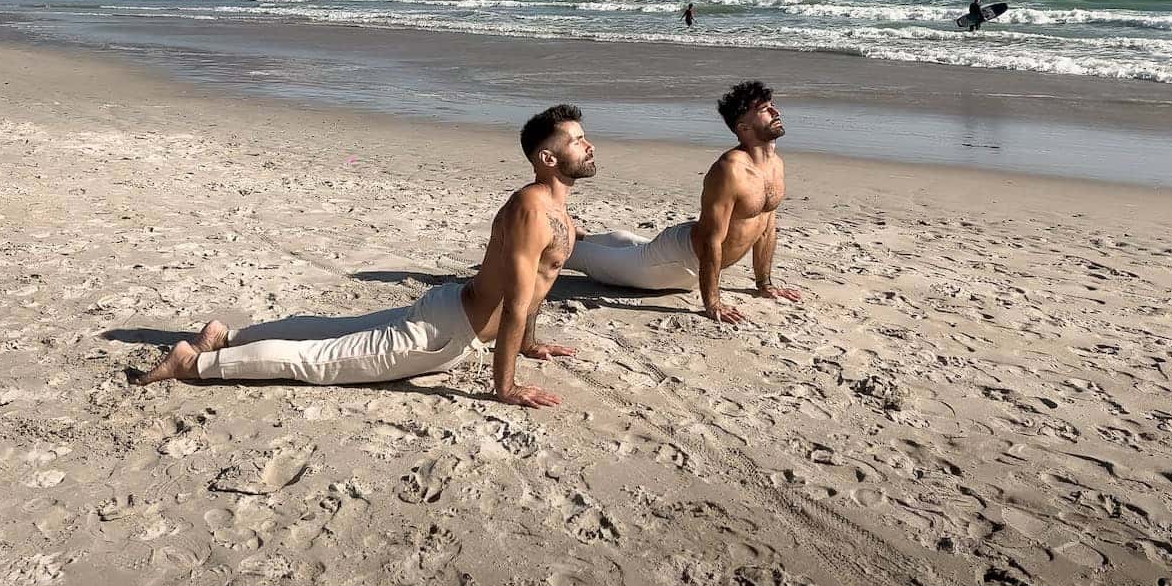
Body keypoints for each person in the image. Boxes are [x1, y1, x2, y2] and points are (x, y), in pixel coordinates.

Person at [131, 104, 594, 409]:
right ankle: (194, 364)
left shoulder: (561, 215)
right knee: (319, 360)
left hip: (451, 312)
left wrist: (530, 344)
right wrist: (506, 388)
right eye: (576, 140)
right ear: (547, 159)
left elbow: (536, 289)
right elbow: (515, 303)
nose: (588, 144)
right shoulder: (532, 210)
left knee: (337, 331)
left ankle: (226, 336)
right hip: (443, 333)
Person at [569, 79, 798, 324]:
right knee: (571, 255)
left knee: (627, 245)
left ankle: (580, 234)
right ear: (744, 127)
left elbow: (766, 228)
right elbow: (712, 239)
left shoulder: (775, 164)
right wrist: (713, 302)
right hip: (673, 263)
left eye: (772, 105)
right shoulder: (730, 170)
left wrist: (765, 284)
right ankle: (550, 240)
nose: (776, 112)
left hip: (686, 257)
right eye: (764, 109)